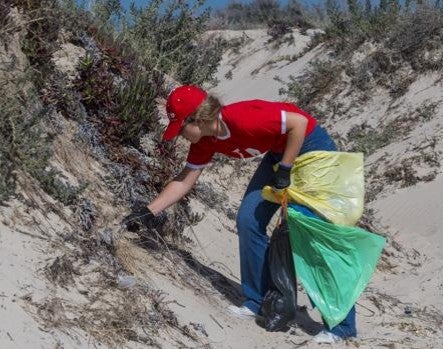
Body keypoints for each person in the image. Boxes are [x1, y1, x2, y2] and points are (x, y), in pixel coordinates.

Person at [123, 85, 356, 343]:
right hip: (281, 154)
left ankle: (341, 326)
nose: (180, 135)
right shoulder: (206, 141)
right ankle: (259, 300)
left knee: (309, 233)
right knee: (248, 219)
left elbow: (299, 123)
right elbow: (186, 180)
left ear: (197, 118)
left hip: (312, 149)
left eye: (181, 129)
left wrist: (286, 168)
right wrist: (148, 211)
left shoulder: (244, 118)